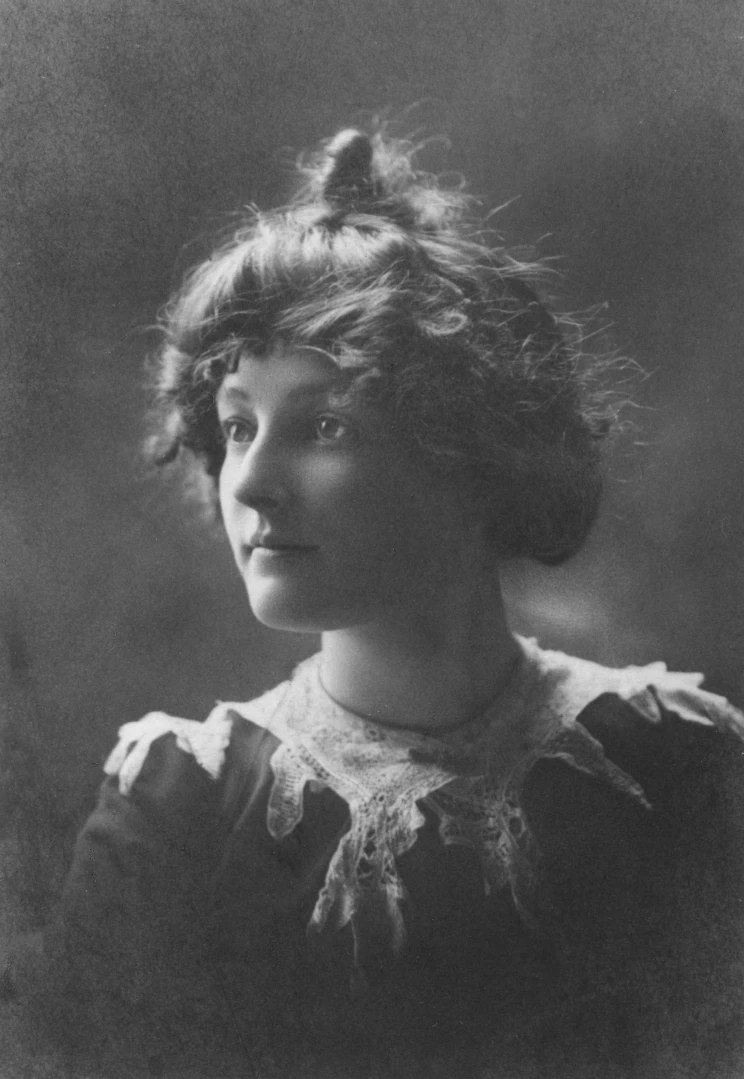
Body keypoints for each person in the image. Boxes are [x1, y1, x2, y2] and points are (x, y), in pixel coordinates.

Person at [38, 127, 744, 1079]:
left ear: (470, 452)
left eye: (325, 423)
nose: (248, 483)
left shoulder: (683, 763)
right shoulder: (179, 813)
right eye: (239, 425)